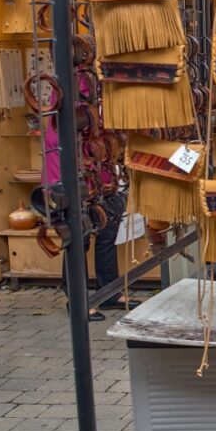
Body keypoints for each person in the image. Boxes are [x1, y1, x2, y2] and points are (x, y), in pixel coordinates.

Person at [43, 123, 141, 323]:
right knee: (79, 239)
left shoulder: (96, 107)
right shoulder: (64, 116)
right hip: (72, 182)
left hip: (101, 180)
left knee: (108, 233)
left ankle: (109, 292)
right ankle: (77, 300)